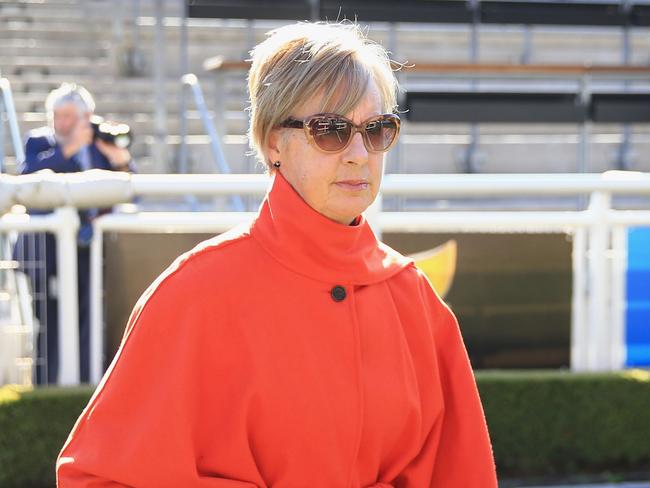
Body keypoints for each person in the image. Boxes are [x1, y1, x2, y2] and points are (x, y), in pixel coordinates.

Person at [56, 22, 497, 487]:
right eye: (330, 130)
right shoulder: (193, 292)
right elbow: (95, 477)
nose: (358, 153)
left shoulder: (417, 302)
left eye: (376, 129)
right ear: (272, 141)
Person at [14, 83, 135, 385]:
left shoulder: (99, 145)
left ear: (87, 116)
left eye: (68, 116)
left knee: (91, 320)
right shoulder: (39, 141)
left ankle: (86, 383)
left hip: (90, 252)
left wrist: (118, 158)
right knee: (49, 322)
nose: (61, 122)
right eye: (57, 115)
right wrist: (70, 149)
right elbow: (28, 177)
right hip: (46, 254)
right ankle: (46, 387)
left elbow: (131, 190)